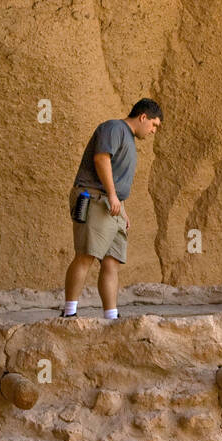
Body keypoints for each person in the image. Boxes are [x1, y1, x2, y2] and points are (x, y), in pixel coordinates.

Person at [61, 99, 162, 319]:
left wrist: (122, 209)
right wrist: (113, 195)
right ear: (143, 117)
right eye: (154, 125)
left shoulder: (128, 139)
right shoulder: (114, 128)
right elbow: (101, 158)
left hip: (113, 205)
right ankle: (69, 313)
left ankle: (111, 316)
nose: (153, 130)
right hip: (96, 198)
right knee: (85, 255)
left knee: (112, 261)